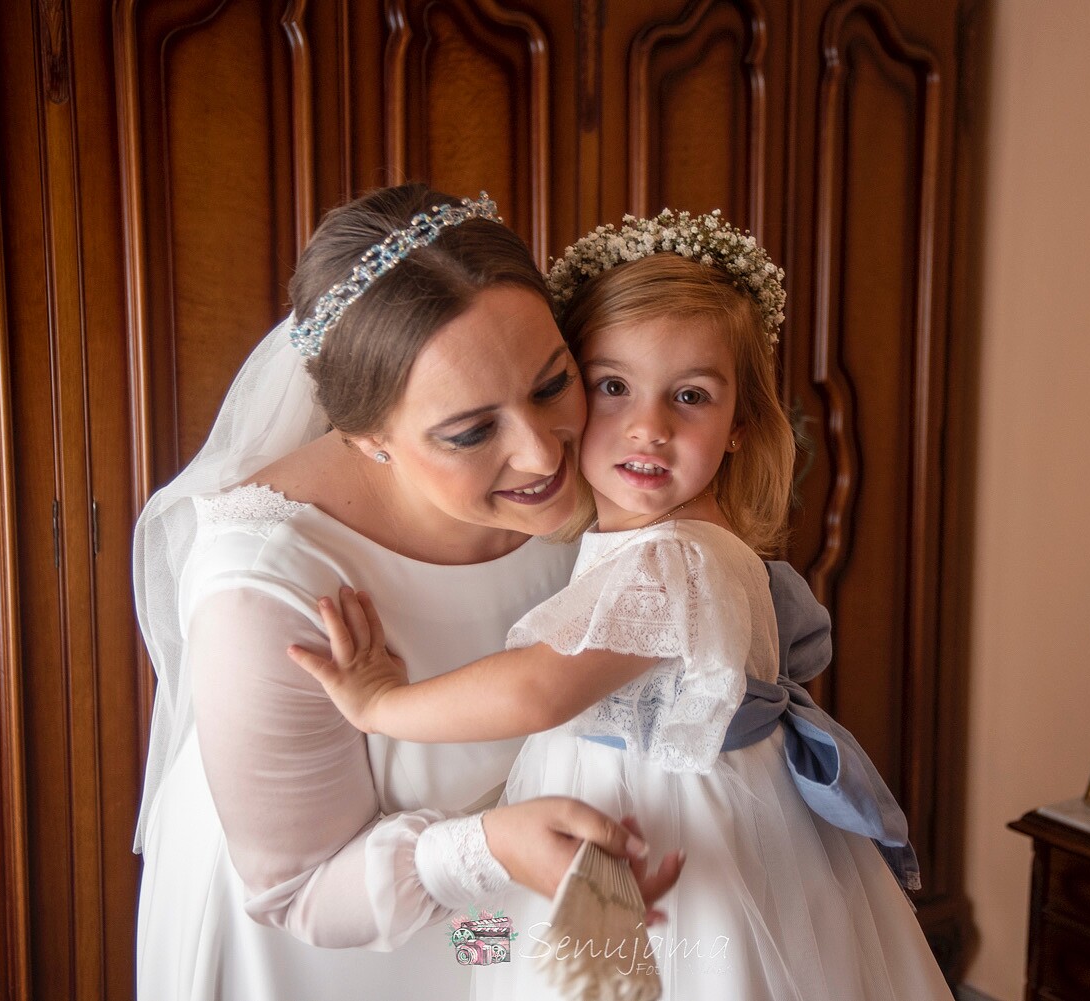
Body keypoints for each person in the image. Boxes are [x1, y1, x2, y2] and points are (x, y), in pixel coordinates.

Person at [132, 186, 822, 1000]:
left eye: (552, 382)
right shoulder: (265, 591)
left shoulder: (620, 481)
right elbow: (298, 892)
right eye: (469, 432)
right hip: (338, 949)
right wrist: (488, 850)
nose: (541, 457)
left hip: (514, 923)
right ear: (368, 440)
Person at [292, 210, 953, 999]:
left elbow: (537, 687)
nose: (649, 426)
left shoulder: (674, 560)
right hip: (616, 842)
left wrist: (379, 702)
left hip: (674, 850)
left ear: (739, 425)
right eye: (613, 386)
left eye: (691, 396)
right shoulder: (654, 544)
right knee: (536, 965)